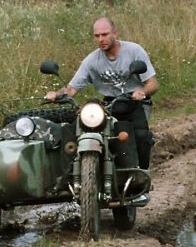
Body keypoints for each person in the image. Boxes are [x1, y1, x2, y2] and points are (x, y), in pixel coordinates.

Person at [46, 17, 158, 167]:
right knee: (83, 133)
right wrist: (57, 94)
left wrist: (141, 92)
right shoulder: (91, 60)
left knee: (141, 136)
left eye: (105, 34)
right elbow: (72, 89)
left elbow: (153, 83)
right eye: (97, 36)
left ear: (115, 33)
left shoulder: (134, 51)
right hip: (109, 104)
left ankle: (142, 176)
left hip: (134, 102)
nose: (101, 39)